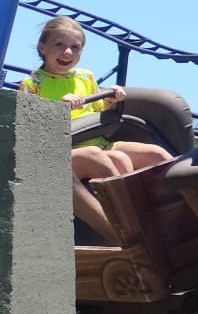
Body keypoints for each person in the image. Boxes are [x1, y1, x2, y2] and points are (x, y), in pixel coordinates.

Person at [21, 16, 174, 242]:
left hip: (99, 141)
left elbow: (97, 108)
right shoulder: (33, 85)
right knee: (100, 158)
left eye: (76, 48)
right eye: (59, 45)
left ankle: (177, 220)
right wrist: (56, 109)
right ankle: (135, 230)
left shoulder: (86, 77)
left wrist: (112, 100)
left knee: (156, 155)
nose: (68, 53)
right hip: (63, 149)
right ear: (43, 47)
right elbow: (26, 131)